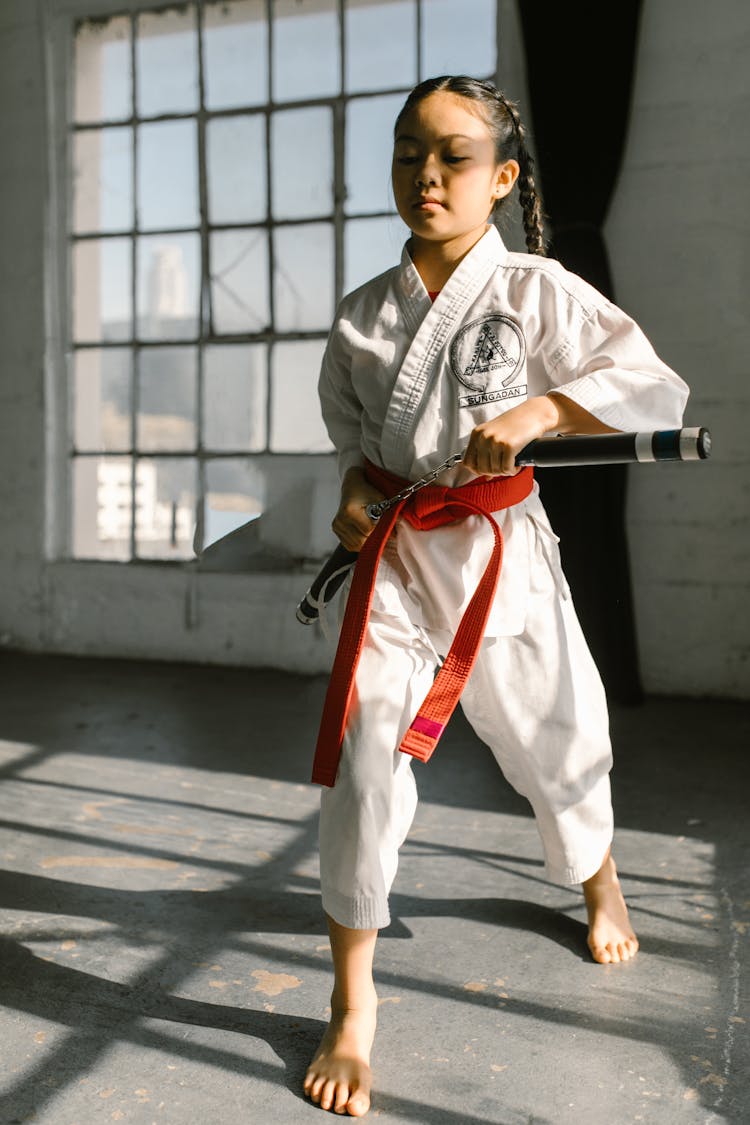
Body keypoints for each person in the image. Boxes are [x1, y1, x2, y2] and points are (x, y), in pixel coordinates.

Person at [302, 75, 689, 1117]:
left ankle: (597, 878)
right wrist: (349, 491)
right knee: (364, 754)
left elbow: (646, 380)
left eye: (454, 156)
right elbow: (349, 441)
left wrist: (540, 413)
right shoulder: (361, 319)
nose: (425, 175)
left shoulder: (535, 290)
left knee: (557, 734)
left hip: (498, 551)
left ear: (504, 177)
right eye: (406, 153)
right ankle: (353, 1002)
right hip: (396, 561)